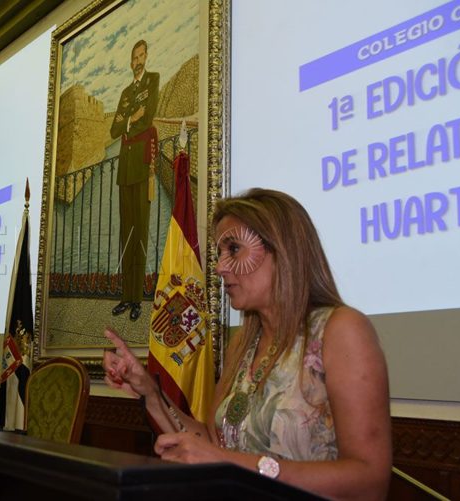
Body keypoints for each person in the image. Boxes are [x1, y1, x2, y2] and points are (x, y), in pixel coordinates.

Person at [103, 188, 392, 500]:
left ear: (282, 249)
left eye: (234, 249)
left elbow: (369, 481)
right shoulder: (243, 343)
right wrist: (151, 393)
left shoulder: (341, 330)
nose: (220, 267)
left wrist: (236, 465)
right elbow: (212, 447)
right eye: (220, 253)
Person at [109, 39, 160, 321]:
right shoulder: (126, 93)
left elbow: (148, 116)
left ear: (146, 57)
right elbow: (114, 129)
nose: (138, 61)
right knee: (126, 234)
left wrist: (131, 122)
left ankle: (138, 298)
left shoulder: (153, 80)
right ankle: (126, 297)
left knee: (139, 231)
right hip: (125, 169)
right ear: (131, 62)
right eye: (135, 57)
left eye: (142, 56)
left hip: (141, 166)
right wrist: (130, 119)